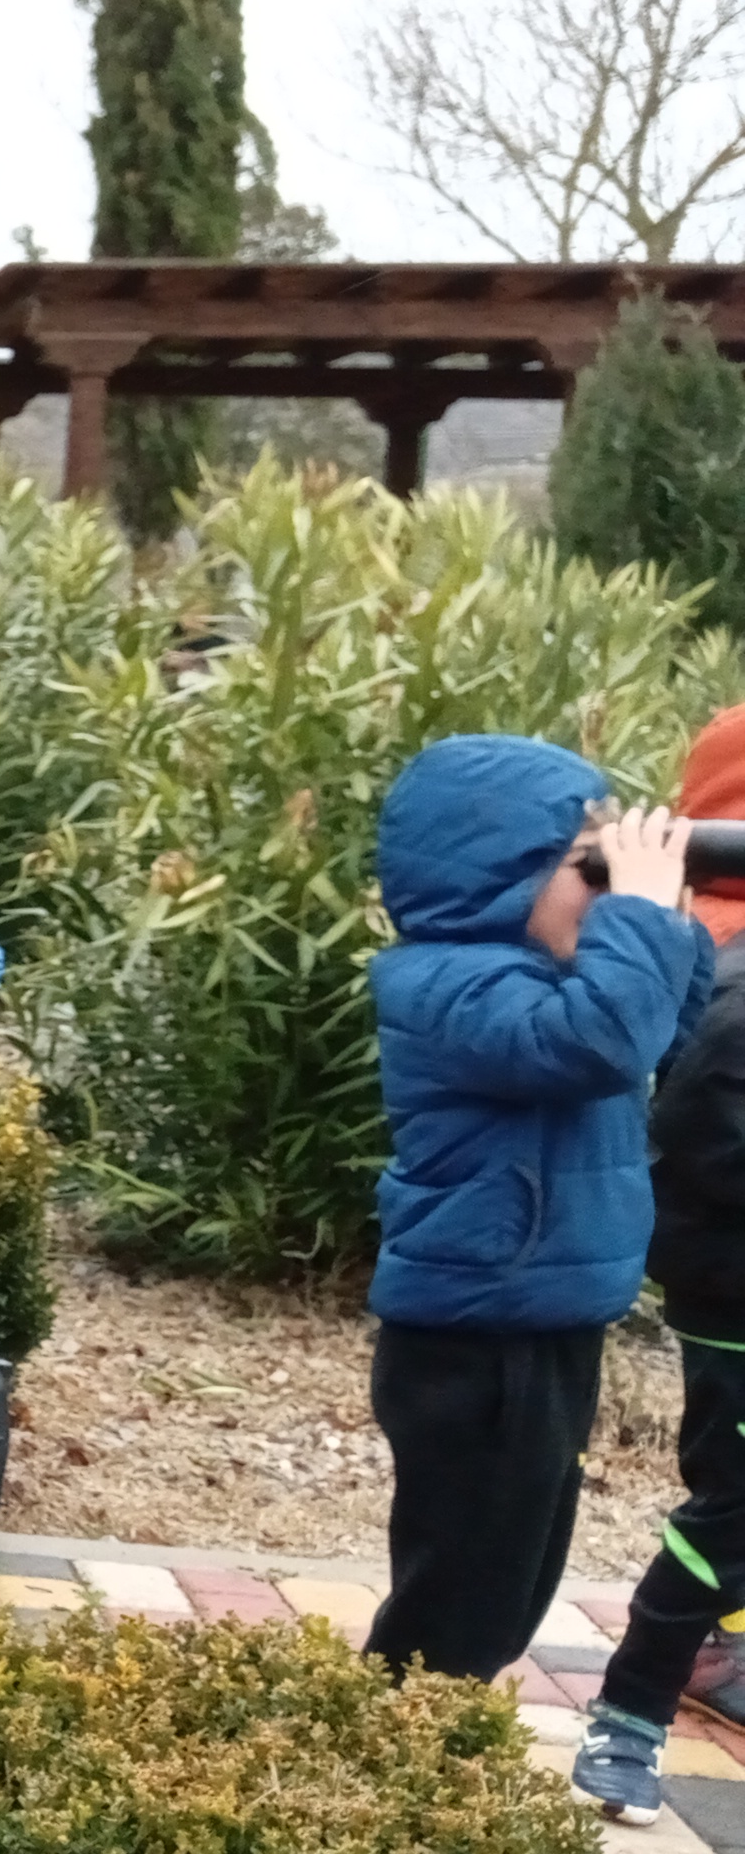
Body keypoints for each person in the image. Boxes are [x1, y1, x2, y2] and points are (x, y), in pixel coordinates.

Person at [352, 737, 707, 1711]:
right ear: (492, 880)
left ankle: (412, 1739)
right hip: (475, 1338)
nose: (601, 894)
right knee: (459, 1594)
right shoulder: (442, 988)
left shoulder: (560, 984)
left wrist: (666, 914)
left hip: (547, 1318)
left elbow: (668, 1036)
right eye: (584, 868)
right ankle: (381, 1752)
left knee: (512, 1582)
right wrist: (632, 911)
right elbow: (597, 1044)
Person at [573, 713, 745, 1825]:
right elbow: (698, 1126)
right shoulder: (733, 974)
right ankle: (625, 1718)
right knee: (730, 1506)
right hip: (733, 1288)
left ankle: (709, 1658)